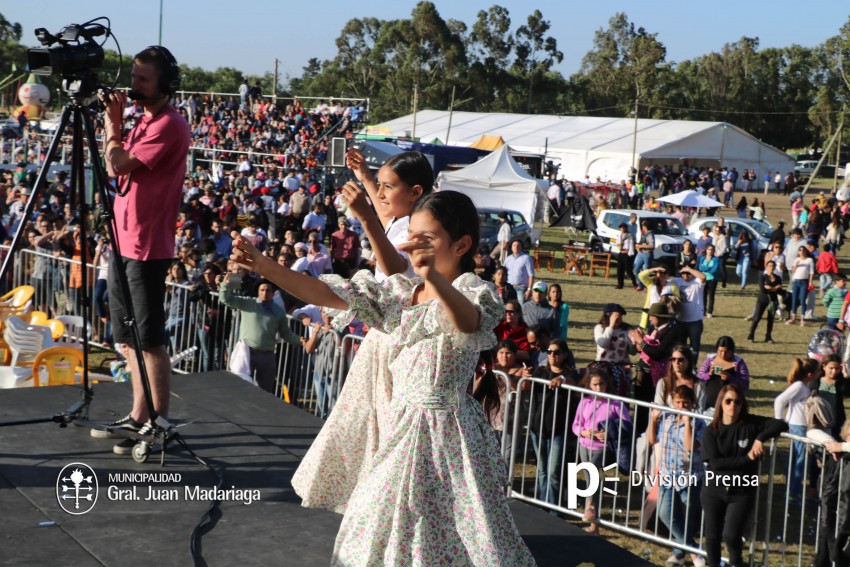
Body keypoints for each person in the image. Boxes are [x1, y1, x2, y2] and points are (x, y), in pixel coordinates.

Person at [236, 190, 535, 564]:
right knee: (375, 526)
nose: (411, 246)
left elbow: (468, 321)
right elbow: (326, 292)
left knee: (464, 537)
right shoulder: (400, 295)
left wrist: (434, 280)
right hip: (401, 430)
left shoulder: (474, 291)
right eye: (411, 235)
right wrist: (265, 267)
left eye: (425, 239)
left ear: (461, 245)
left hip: (448, 439)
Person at [92, 45, 191, 455]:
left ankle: (159, 420)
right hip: (123, 238)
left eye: (142, 80)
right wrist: (115, 127)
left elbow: (116, 165)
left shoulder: (169, 124)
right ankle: (138, 414)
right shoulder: (144, 122)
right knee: (127, 337)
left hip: (147, 246)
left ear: (165, 84)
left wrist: (112, 124)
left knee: (149, 338)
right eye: (133, 78)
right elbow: (112, 158)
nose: (133, 87)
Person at [700, 384, 787, 567]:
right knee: (712, 536)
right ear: (721, 404)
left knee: (731, 535)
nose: (733, 405)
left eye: (737, 402)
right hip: (713, 489)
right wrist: (747, 459)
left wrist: (759, 438)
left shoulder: (751, 424)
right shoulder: (711, 431)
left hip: (741, 490)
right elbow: (716, 463)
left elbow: (781, 424)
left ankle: (736, 562)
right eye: (728, 401)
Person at [647, 385, 706, 567]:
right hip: (667, 474)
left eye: (685, 403)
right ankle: (694, 551)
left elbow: (690, 447)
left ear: (692, 403)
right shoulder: (666, 418)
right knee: (665, 513)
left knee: (687, 517)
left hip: (689, 477)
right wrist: (654, 420)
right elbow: (652, 441)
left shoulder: (700, 422)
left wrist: (688, 422)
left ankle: (678, 554)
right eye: (678, 402)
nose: (681, 406)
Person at [572, 367, 632, 534]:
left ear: (607, 384)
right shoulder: (585, 402)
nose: (599, 388)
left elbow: (627, 425)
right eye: (595, 384)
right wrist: (584, 432)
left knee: (592, 472)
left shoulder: (615, 403)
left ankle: (589, 507)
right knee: (590, 478)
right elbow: (576, 425)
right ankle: (594, 524)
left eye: (602, 384)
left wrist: (610, 432)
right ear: (589, 385)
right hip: (584, 443)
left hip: (603, 447)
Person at [220, 277, 301, 393]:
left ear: (273, 293)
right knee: (240, 388)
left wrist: (300, 340)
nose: (265, 293)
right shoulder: (247, 303)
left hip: (267, 356)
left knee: (265, 392)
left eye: (268, 290)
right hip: (247, 353)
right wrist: (225, 285)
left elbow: (286, 333)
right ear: (258, 292)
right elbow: (226, 299)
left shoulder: (279, 312)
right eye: (262, 290)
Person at [529, 340, 577, 507]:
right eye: (549, 351)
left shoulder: (570, 374)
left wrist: (562, 378)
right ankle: (543, 504)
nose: (552, 355)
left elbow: (573, 381)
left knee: (553, 472)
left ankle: (553, 508)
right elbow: (526, 385)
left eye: (556, 352)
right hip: (538, 427)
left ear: (564, 355)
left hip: (558, 429)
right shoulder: (541, 371)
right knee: (542, 470)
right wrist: (523, 375)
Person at [774, 357, 820, 503]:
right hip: (798, 428)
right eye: (818, 370)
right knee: (800, 461)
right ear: (810, 374)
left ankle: (791, 491)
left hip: (799, 426)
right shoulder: (799, 386)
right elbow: (780, 400)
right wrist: (779, 420)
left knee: (796, 460)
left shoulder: (804, 386)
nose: (820, 372)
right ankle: (793, 494)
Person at [807, 419, 850, 567]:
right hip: (832, 517)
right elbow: (812, 432)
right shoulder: (838, 454)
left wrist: (843, 446)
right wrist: (831, 443)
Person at [697, 337, 750, 411]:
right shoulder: (710, 360)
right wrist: (708, 374)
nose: (723, 354)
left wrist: (730, 378)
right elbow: (698, 377)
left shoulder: (739, 364)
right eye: (720, 351)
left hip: (729, 406)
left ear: (732, 351)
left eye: (726, 352)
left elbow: (745, 385)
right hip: (709, 405)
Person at [656, 345, 707, 413]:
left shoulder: (699, 385)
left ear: (688, 361)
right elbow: (658, 407)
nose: (676, 362)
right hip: (667, 421)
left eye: (680, 360)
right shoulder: (663, 382)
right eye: (673, 359)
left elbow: (699, 410)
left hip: (691, 422)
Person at [671, 266, 706, 356]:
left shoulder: (697, 281)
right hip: (680, 321)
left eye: (688, 274)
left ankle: (693, 367)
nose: (685, 275)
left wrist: (688, 269)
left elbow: (703, 277)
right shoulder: (677, 281)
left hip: (695, 321)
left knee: (694, 347)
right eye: (683, 273)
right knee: (680, 347)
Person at [747, 260, 782, 343]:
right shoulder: (762, 276)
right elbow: (763, 289)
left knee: (770, 319)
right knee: (757, 318)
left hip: (773, 301)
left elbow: (780, 291)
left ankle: (768, 337)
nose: (771, 268)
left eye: (773, 266)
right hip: (762, 300)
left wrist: (771, 288)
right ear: (766, 267)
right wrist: (775, 288)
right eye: (769, 266)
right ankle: (751, 335)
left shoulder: (778, 278)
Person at [786, 245, 814, 326]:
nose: (801, 251)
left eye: (803, 250)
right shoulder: (797, 259)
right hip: (796, 281)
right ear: (798, 252)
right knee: (794, 299)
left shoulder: (809, 260)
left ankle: (802, 318)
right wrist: (796, 265)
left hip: (804, 281)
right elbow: (793, 271)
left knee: (802, 300)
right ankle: (793, 317)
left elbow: (811, 272)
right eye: (800, 250)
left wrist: (810, 282)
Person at [615, 222, 638, 289]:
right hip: (621, 253)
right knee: (620, 269)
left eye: (623, 228)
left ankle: (634, 283)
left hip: (627, 254)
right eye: (621, 228)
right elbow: (617, 243)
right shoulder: (620, 235)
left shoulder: (629, 235)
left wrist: (630, 253)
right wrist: (620, 248)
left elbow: (631, 245)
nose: (622, 229)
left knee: (628, 270)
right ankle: (620, 284)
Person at [633, 221, 655, 289]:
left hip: (647, 254)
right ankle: (640, 284)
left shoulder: (650, 235)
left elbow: (652, 246)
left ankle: (646, 286)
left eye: (643, 226)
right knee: (636, 269)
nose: (642, 227)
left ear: (645, 227)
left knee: (646, 271)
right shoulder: (645, 234)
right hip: (641, 253)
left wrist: (641, 246)